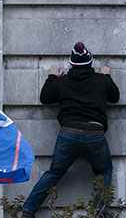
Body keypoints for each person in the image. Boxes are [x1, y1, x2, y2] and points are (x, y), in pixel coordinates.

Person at [21, 42, 120, 218]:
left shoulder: (62, 82)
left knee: (54, 173)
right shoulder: (100, 81)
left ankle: (29, 210)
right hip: (94, 134)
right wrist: (106, 77)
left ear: (72, 64)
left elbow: (45, 98)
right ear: (90, 62)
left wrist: (52, 77)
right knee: (103, 171)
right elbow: (115, 97)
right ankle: (101, 212)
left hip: (69, 133)